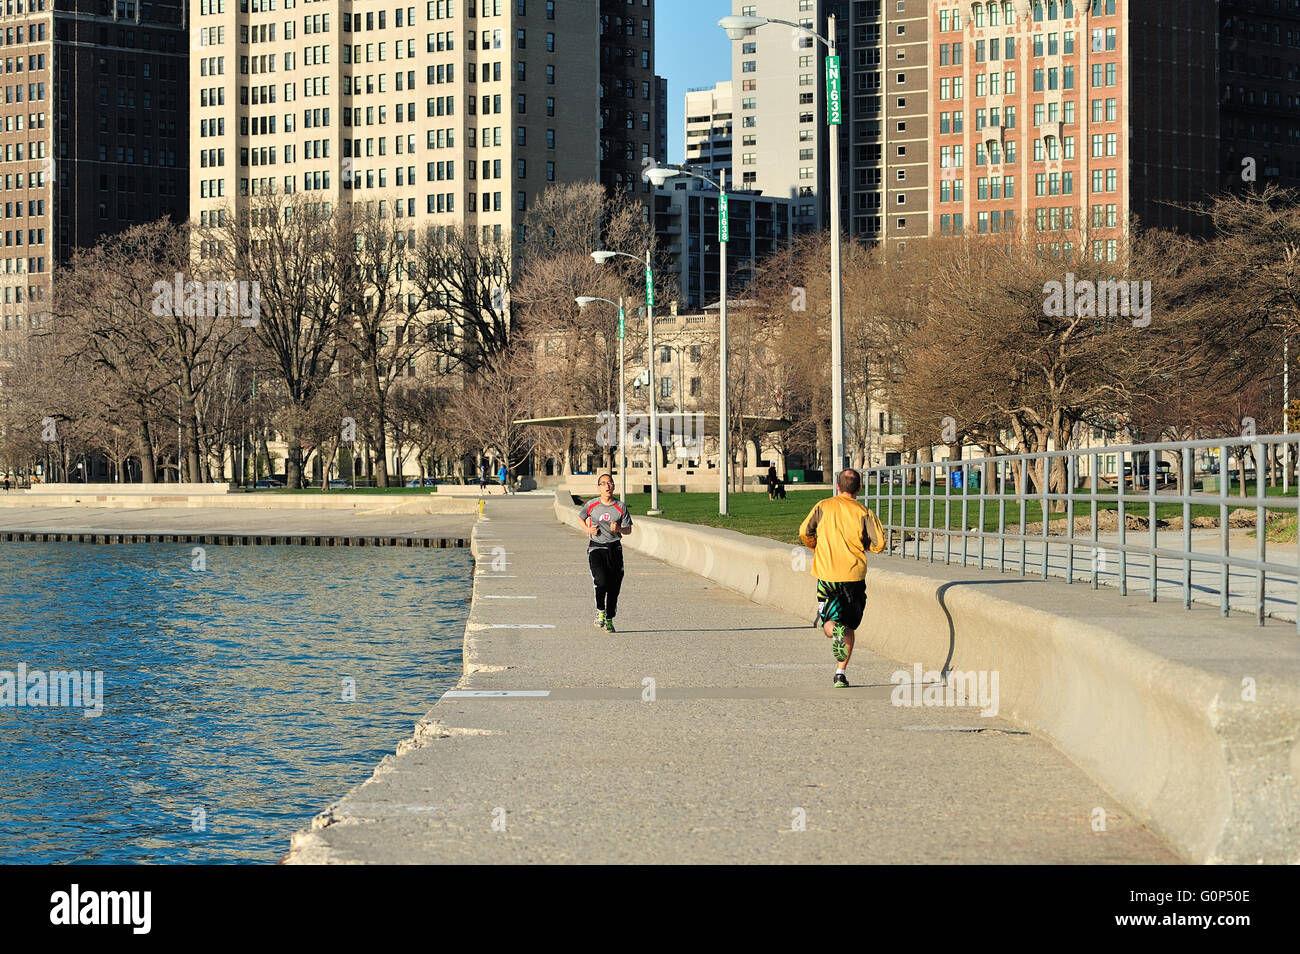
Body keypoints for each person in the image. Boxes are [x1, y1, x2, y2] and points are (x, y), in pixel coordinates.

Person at [798, 468, 886, 688]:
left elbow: (804, 532)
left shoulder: (823, 506)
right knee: (849, 626)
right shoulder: (864, 512)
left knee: (829, 621)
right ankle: (840, 673)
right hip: (853, 576)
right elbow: (880, 544)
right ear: (859, 488)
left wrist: (816, 547)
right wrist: (865, 545)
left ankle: (833, 628)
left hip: (826, 575)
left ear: (838, 486)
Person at [583, 473, 632, 633]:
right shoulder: (592, 505)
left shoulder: (620, 507)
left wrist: (618, 529)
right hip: (596, 548)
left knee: (614, 587)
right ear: (599, 488)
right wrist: (588, 529)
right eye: (603, 483)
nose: (607, 486)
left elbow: (628, 530)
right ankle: (600, 611)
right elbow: (580, 518)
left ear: (613, 486)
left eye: (609, 483)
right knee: (601, 581)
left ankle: (609, 618)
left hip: (614, 549)